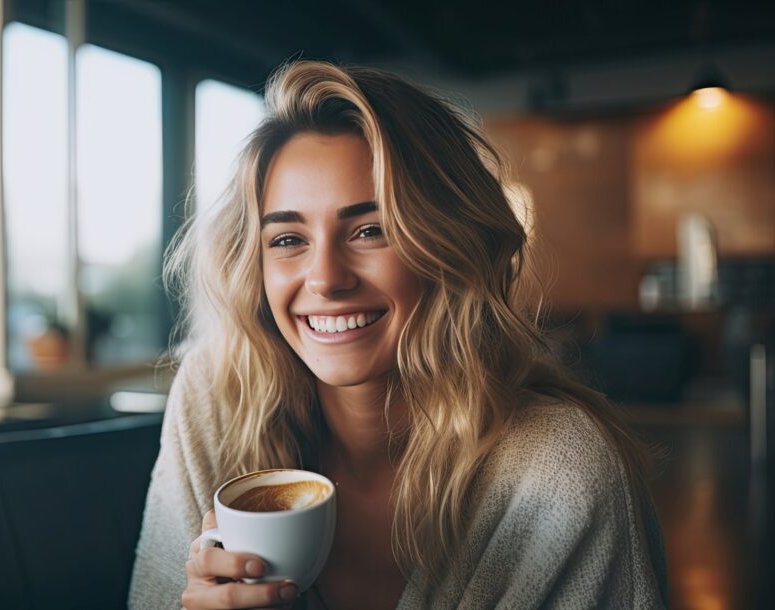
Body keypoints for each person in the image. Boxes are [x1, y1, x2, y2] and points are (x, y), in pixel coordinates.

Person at [128, 60, 668, 609]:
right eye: (288, 239)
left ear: (446, 247)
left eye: (371, 230)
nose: (326, 279)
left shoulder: (558, 473)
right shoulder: (216, 399)